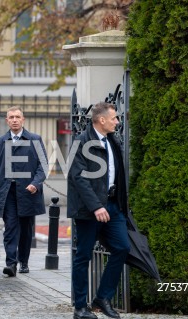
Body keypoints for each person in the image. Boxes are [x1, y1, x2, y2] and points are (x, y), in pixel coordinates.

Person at [68, 102, 130, 319]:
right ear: (101, 120)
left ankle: (102, 298)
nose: (117, 122)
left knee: (122, 247)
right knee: (83, 255)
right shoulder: (80, 142)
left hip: (113, 205)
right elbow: (77, 177)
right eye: (114, 118)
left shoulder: (114, 140)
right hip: (89, 208)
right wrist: (96, 206)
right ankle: (80, 307)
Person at [0, 106, 47, 277]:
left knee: (25, 229)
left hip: (27, 191)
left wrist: (35, 183)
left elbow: (43, 166)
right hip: (8, 191)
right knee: (10, 227)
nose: (14, 120)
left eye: (17, 117)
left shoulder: (34, 139)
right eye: (11, 117)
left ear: (23, 119)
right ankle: (11, 263)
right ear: (7, 120)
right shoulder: (1, 141)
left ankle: (23, 261)